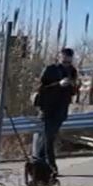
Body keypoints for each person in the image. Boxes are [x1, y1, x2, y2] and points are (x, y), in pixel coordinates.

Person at [33, 47, 79, 177]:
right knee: (47, 138)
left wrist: (73, 86)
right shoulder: (50, 70)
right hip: (47, 107)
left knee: (48, 138)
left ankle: (41, 167)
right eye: (64, 60)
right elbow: (41, 88)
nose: (67, 64)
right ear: (60, 57)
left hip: (61, 109)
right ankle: (51, 168)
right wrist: (58, 84)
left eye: (69, 61)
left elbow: (73, 92)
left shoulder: (73, 71)